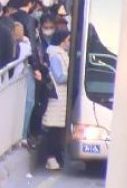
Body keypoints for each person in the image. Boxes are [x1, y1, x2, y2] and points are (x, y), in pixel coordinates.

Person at [42, 30, 70, 170]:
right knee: (53, 128)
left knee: (58, 128)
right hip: (56, 97)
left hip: (61, 97)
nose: (69, 43)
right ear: (62, 40)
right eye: (68, 40)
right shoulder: (55, 55)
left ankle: (56, 155)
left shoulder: (62, 54)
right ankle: (51, 157)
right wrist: (73, 76)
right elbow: (59, 77)